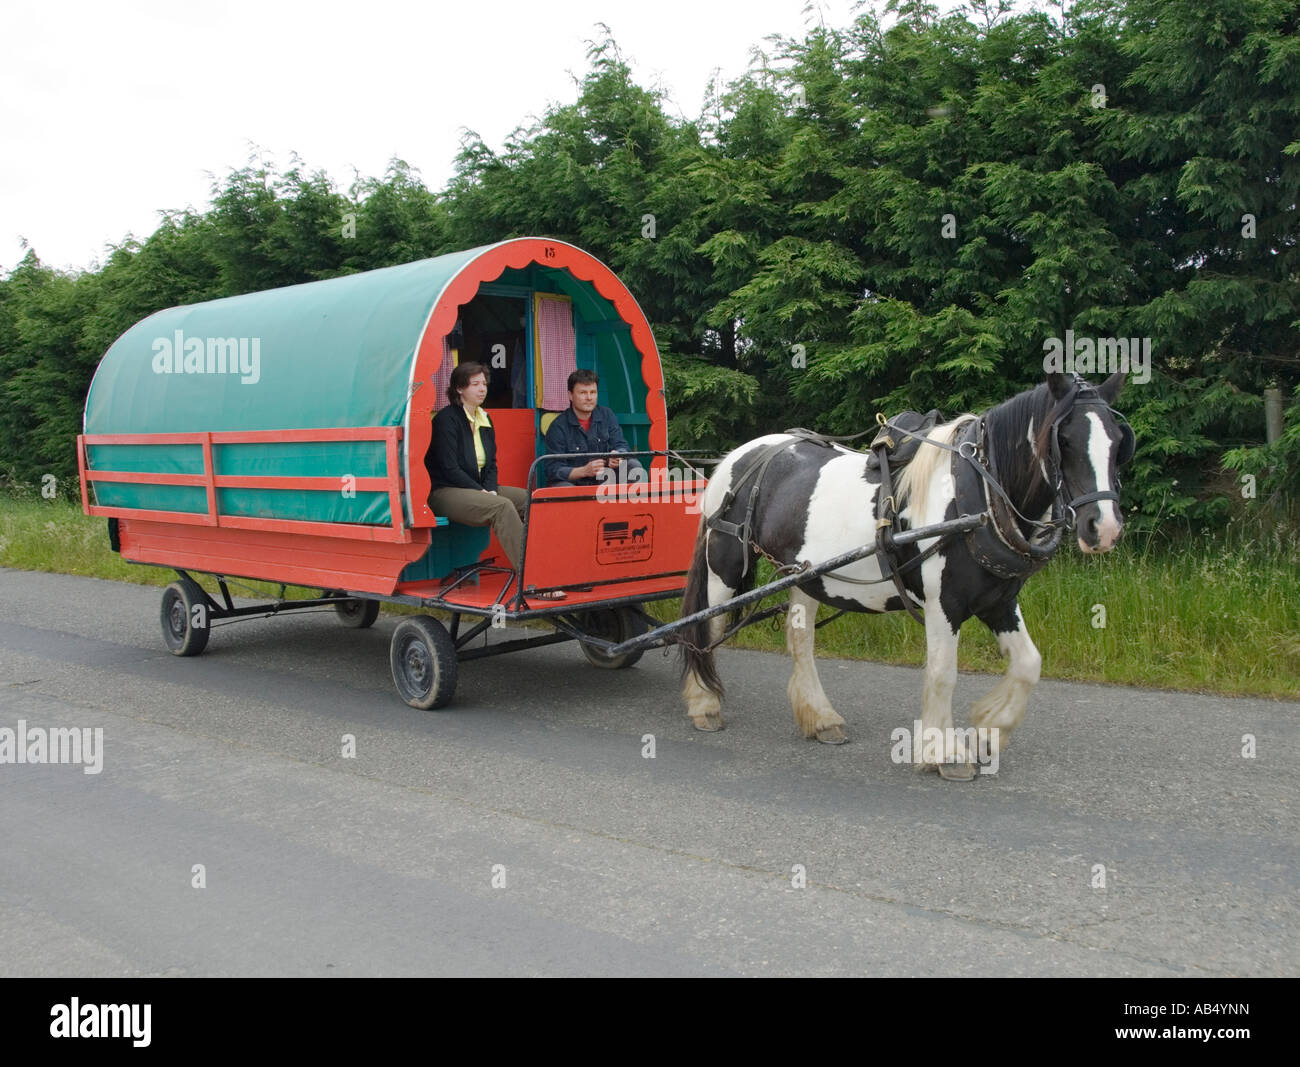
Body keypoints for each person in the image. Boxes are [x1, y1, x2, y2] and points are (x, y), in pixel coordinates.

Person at [426, 361, 535, 580]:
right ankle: (532, 577)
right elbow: (449, 468)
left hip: (477, 489)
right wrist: (480, 491)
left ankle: (552, 566)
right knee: (502, 507)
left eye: (484, 383)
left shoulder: (484, 418)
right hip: (444, 491)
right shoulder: (446, 420)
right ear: (459, 388)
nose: (482, 388)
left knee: (531, 500)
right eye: (475, 384)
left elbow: (491, 463)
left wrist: (490, 489)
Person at [543, 369, 643, 486]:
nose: (589, 398)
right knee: (562, 486)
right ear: (570, 395)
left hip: (605, 480)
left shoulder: (607, 415)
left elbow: (621, 445)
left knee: (633, 466)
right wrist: (584, 471)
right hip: (574, 484)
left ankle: (634, 504)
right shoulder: (558, 427)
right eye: (583, 393)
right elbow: (553, 469)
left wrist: (617, 456)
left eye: (593, 392)